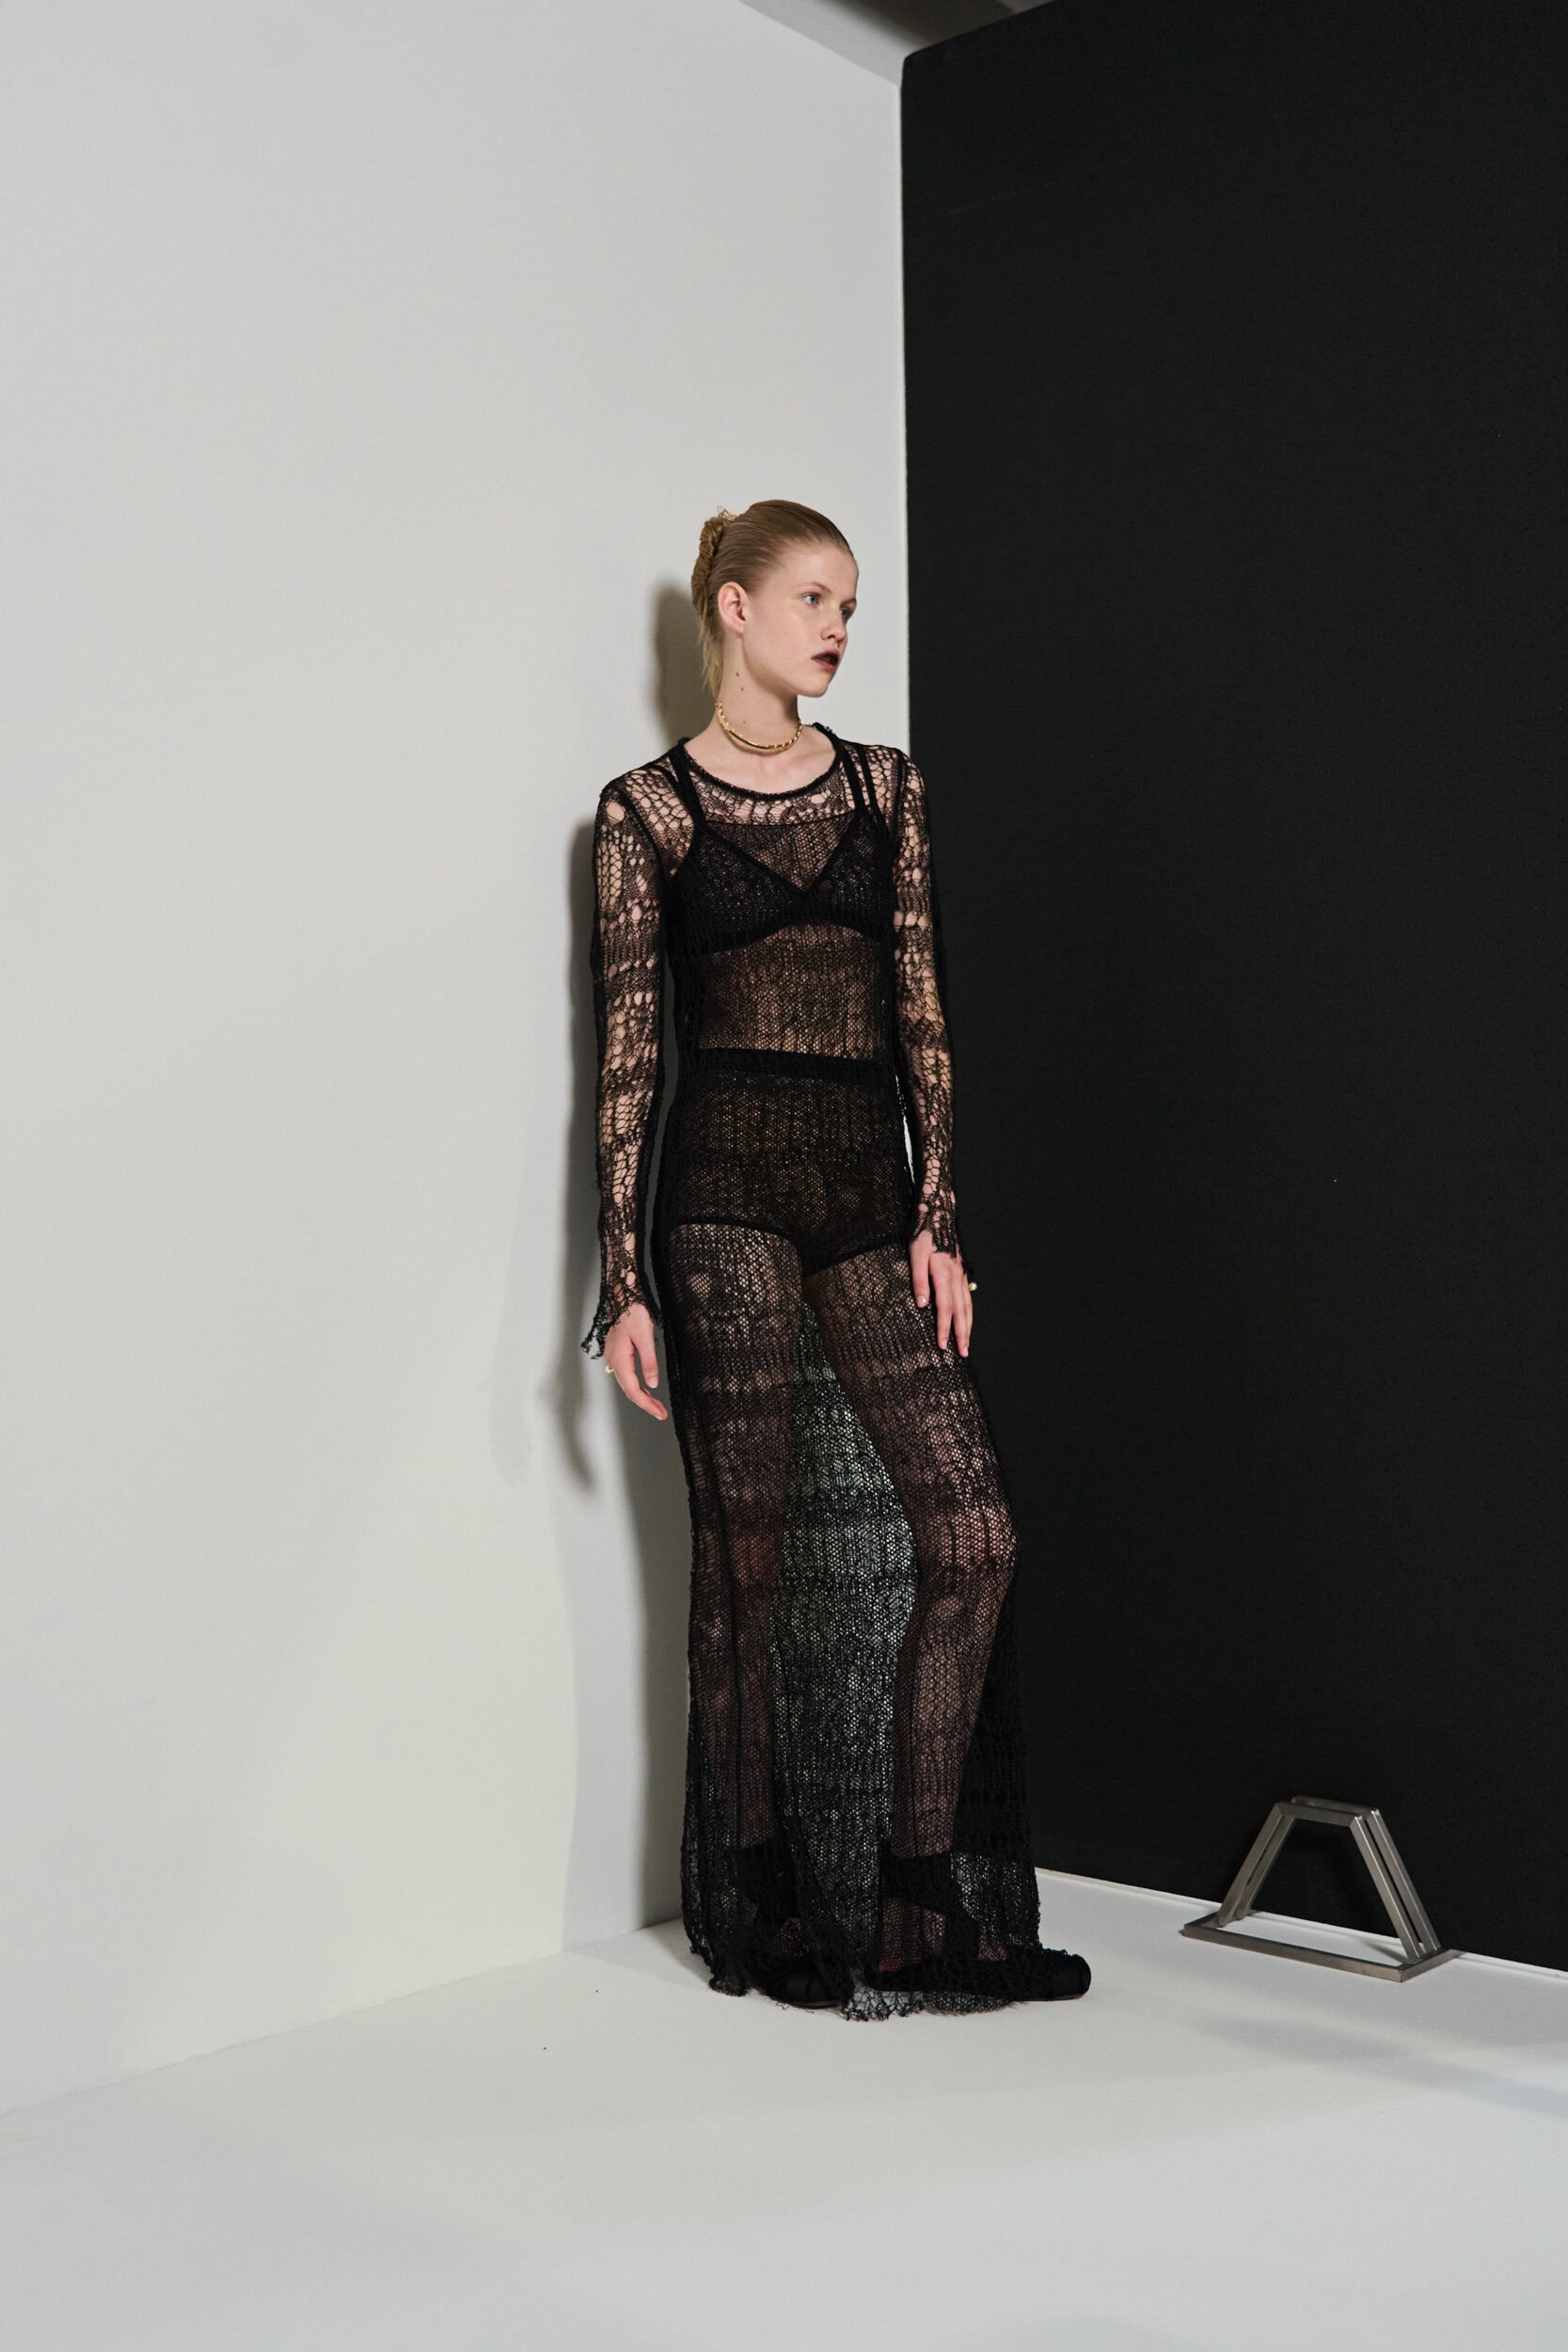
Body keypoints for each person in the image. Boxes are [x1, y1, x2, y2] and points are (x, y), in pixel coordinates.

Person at [583, 499, 1089, 2018]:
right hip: (724, 1196)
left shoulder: (884, 788)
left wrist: (941, 1223)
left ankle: (917, 1905)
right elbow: (629, 1060)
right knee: (744, 1568)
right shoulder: (648, 814)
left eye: (850, 607)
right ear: (735, 608)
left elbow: (923, 1014)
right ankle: (762, 1908)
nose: (839, 630)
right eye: (814, 599)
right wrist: (621, 1280)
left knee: (973, 1537)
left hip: (868, 1194)